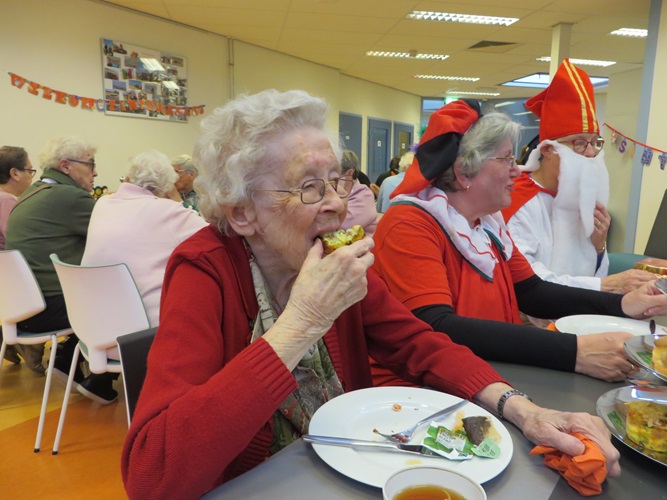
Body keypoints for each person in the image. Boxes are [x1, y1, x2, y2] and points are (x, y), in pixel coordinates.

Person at [120, 89, 658, 499]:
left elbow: (417, 342)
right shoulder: (204, 269)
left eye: (339, 179)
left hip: (350, 468)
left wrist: (522, 408)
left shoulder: (335, 253)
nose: (336, 203)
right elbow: (152, 474)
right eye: (310, 186)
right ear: (241, 213)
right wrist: (303, 319)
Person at [371, 99, 667, 385]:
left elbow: (532, 291)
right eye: (507, 159)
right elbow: (438, 326)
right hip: (420, 393)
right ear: (464, 173)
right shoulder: (410, 224)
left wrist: (623, 305)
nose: (518, 170)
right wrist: (575, 352)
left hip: (486, 373)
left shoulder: (486, 223)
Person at [502, 59, 655, 295]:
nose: (591, 152)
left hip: (578, 312)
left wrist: (597, 246)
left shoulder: (581, 200)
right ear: (547, 150)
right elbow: (528, 282)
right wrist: (605, 285)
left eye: (595, 143)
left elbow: (591, 277)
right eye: (579, 143)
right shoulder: (517, 203)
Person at [4, 137, 113, 403]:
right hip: (47, 310)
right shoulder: (70, 197)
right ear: (65, 166)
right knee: (126, 299)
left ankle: (69, 358)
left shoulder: (32, 192)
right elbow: (120, 234)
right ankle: (99, 377)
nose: (95, 171)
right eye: (90, 164)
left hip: (18, 310)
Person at [82, 150, 208, 328]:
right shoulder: (169, 210)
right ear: (167, 186)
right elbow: (212, 237)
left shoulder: (102, 203)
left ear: (128, 178)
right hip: (143, 332)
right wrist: (176, 201)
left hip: (93, 327)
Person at [0, 146, 36, 365]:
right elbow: (17, 240)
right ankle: (31, 345)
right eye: (30, 171)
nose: (32, 176)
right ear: (15, 173)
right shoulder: (8, 201)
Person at [340, 150, 378, 236]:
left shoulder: (364, 194)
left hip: (358, 247)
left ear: (349, 173)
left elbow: (343, 225)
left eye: (335, 172)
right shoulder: (334, 191)